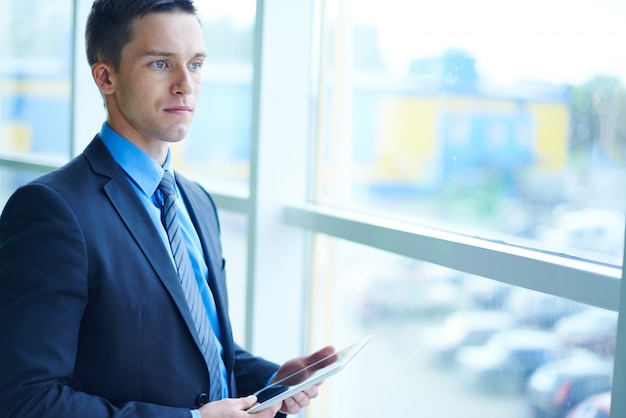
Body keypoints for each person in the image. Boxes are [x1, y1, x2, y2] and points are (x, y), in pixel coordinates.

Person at [0, 1, 334, 417]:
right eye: (161, 64)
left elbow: (197, 347)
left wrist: (270, 382)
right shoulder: (52, 210)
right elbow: (25, 399)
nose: (185, 84)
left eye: (195, 64)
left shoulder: (197, 202)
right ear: (106, 76)